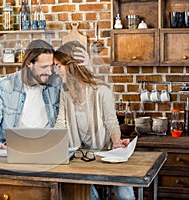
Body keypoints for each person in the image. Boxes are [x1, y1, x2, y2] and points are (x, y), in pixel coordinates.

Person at [54, 41, 135, 200]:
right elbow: (60, 123)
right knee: (85, 192)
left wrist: (117, 142)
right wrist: (50, 144)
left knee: (125, 191)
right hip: (79, 158)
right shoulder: (65, 94)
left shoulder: (101, 90)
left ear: (72, 65)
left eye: (58, 66)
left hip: (105, 154)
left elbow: (111, 121)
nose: (55, 71)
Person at [0, 39, 61, 153]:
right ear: (29, 64)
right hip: (12, 149)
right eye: (44, 67)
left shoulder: (57, 85)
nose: (49, 72)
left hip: (48, 149)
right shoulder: (4, 86)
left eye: (51, 66)